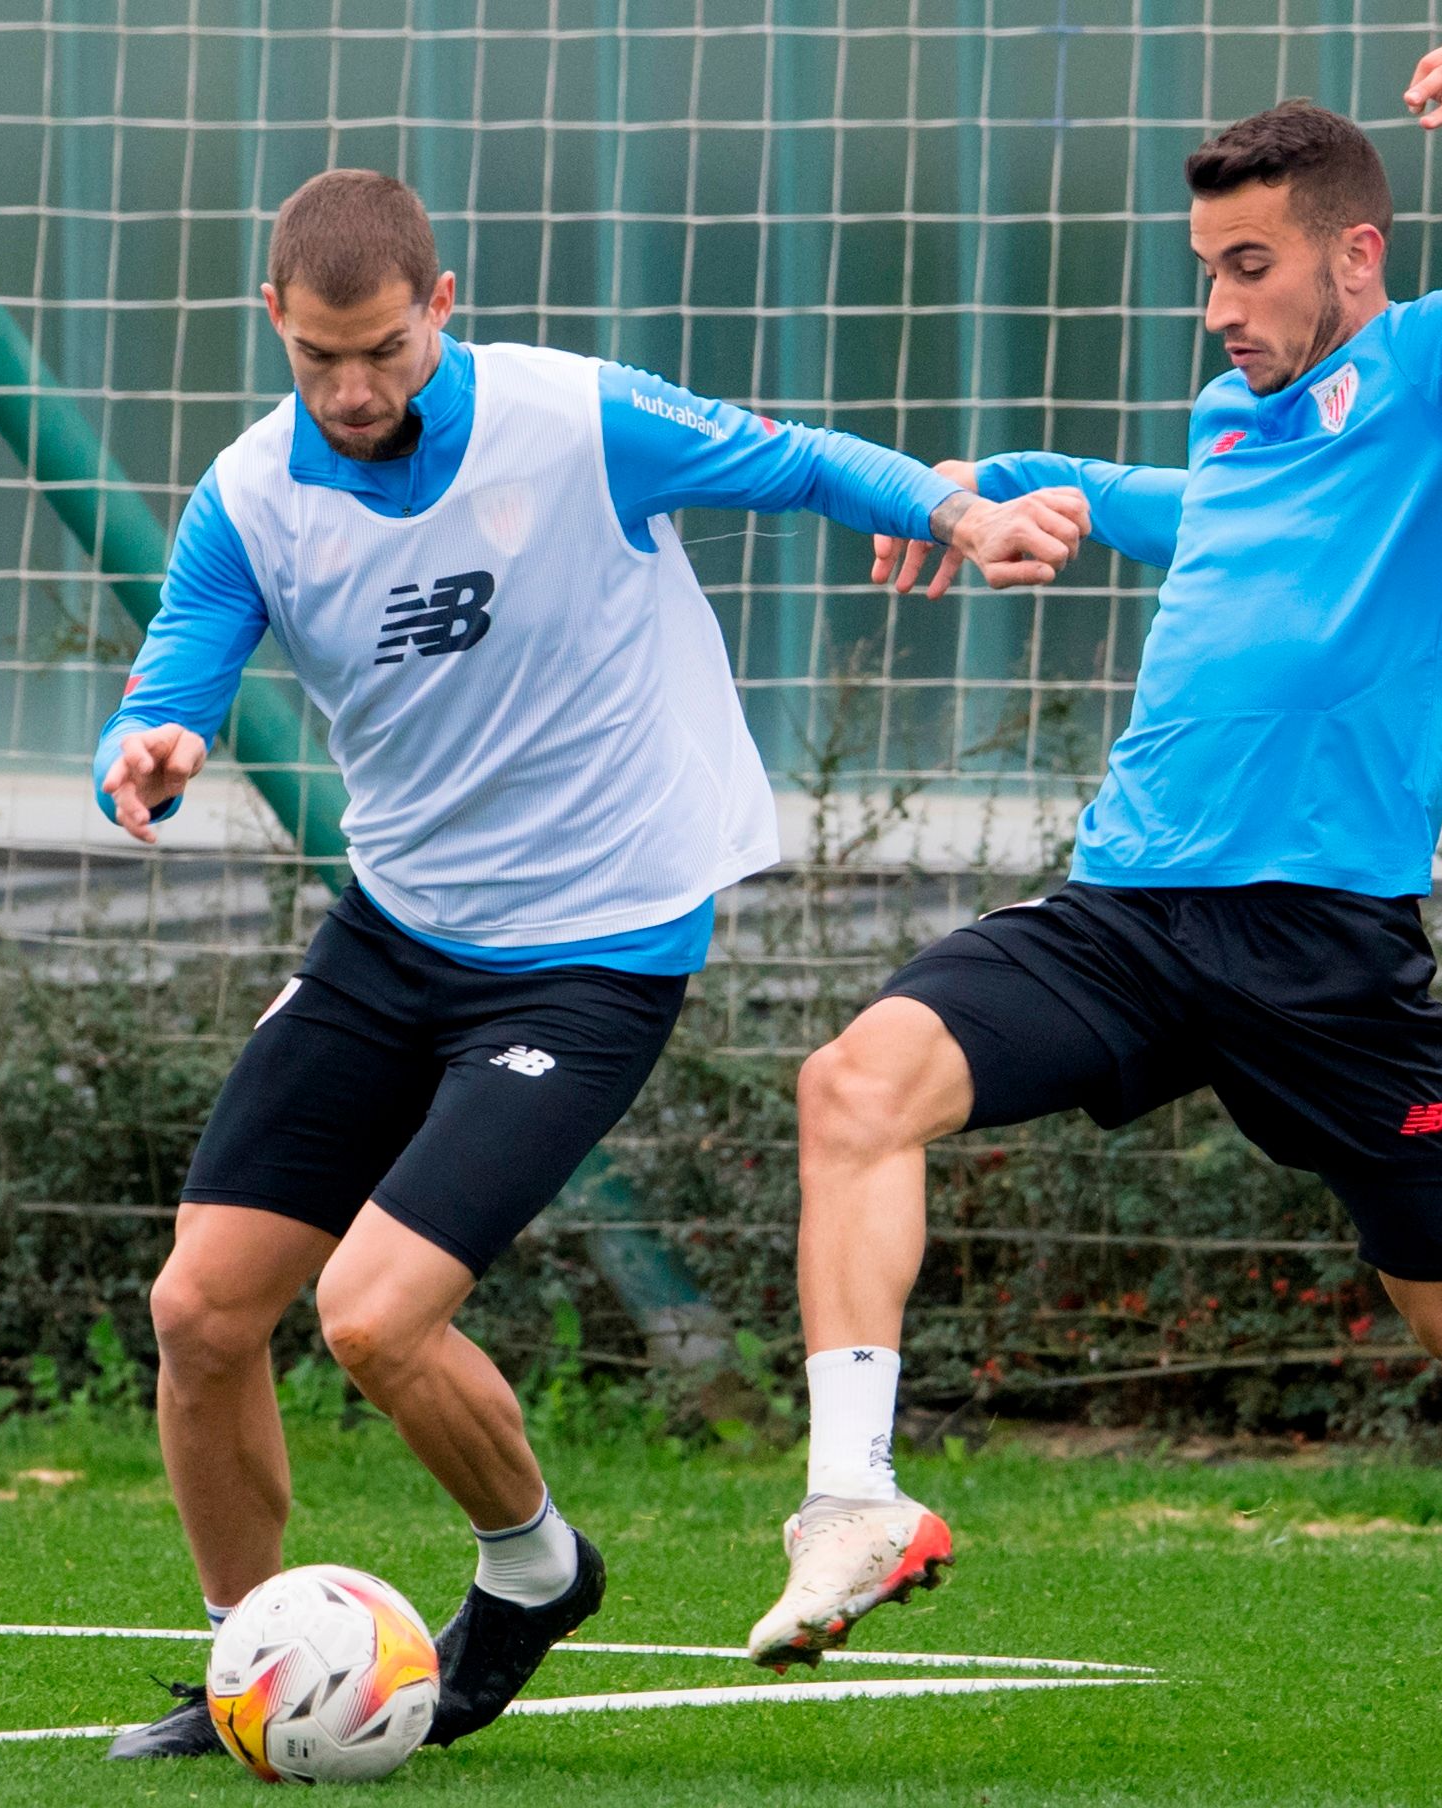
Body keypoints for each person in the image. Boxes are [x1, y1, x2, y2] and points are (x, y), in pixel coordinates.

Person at [745, 38, 1442, 1748]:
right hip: (1131, 912)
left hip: (1324, 951)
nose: (1219, 309)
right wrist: (994, 484)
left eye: (1249, 268)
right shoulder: (1243, 417)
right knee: (855, 1086)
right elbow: (1208, 514)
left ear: (1356, 252)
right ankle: (852, 1502)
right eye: (1207, 272)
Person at [97, 168, 1090, 1759]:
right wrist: (149, 744)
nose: (352, 389)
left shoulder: (573, 422)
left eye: (384, 351)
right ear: (272, 319)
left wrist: (955, 512)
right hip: (392, 936)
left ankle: (533, 1569)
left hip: (589, 958)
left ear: (440, 307)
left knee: (373, 1319)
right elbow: (180, 668)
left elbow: (795, 460)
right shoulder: (251, 494)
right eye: (318, 358)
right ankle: (248, 1666)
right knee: (202, 1313)